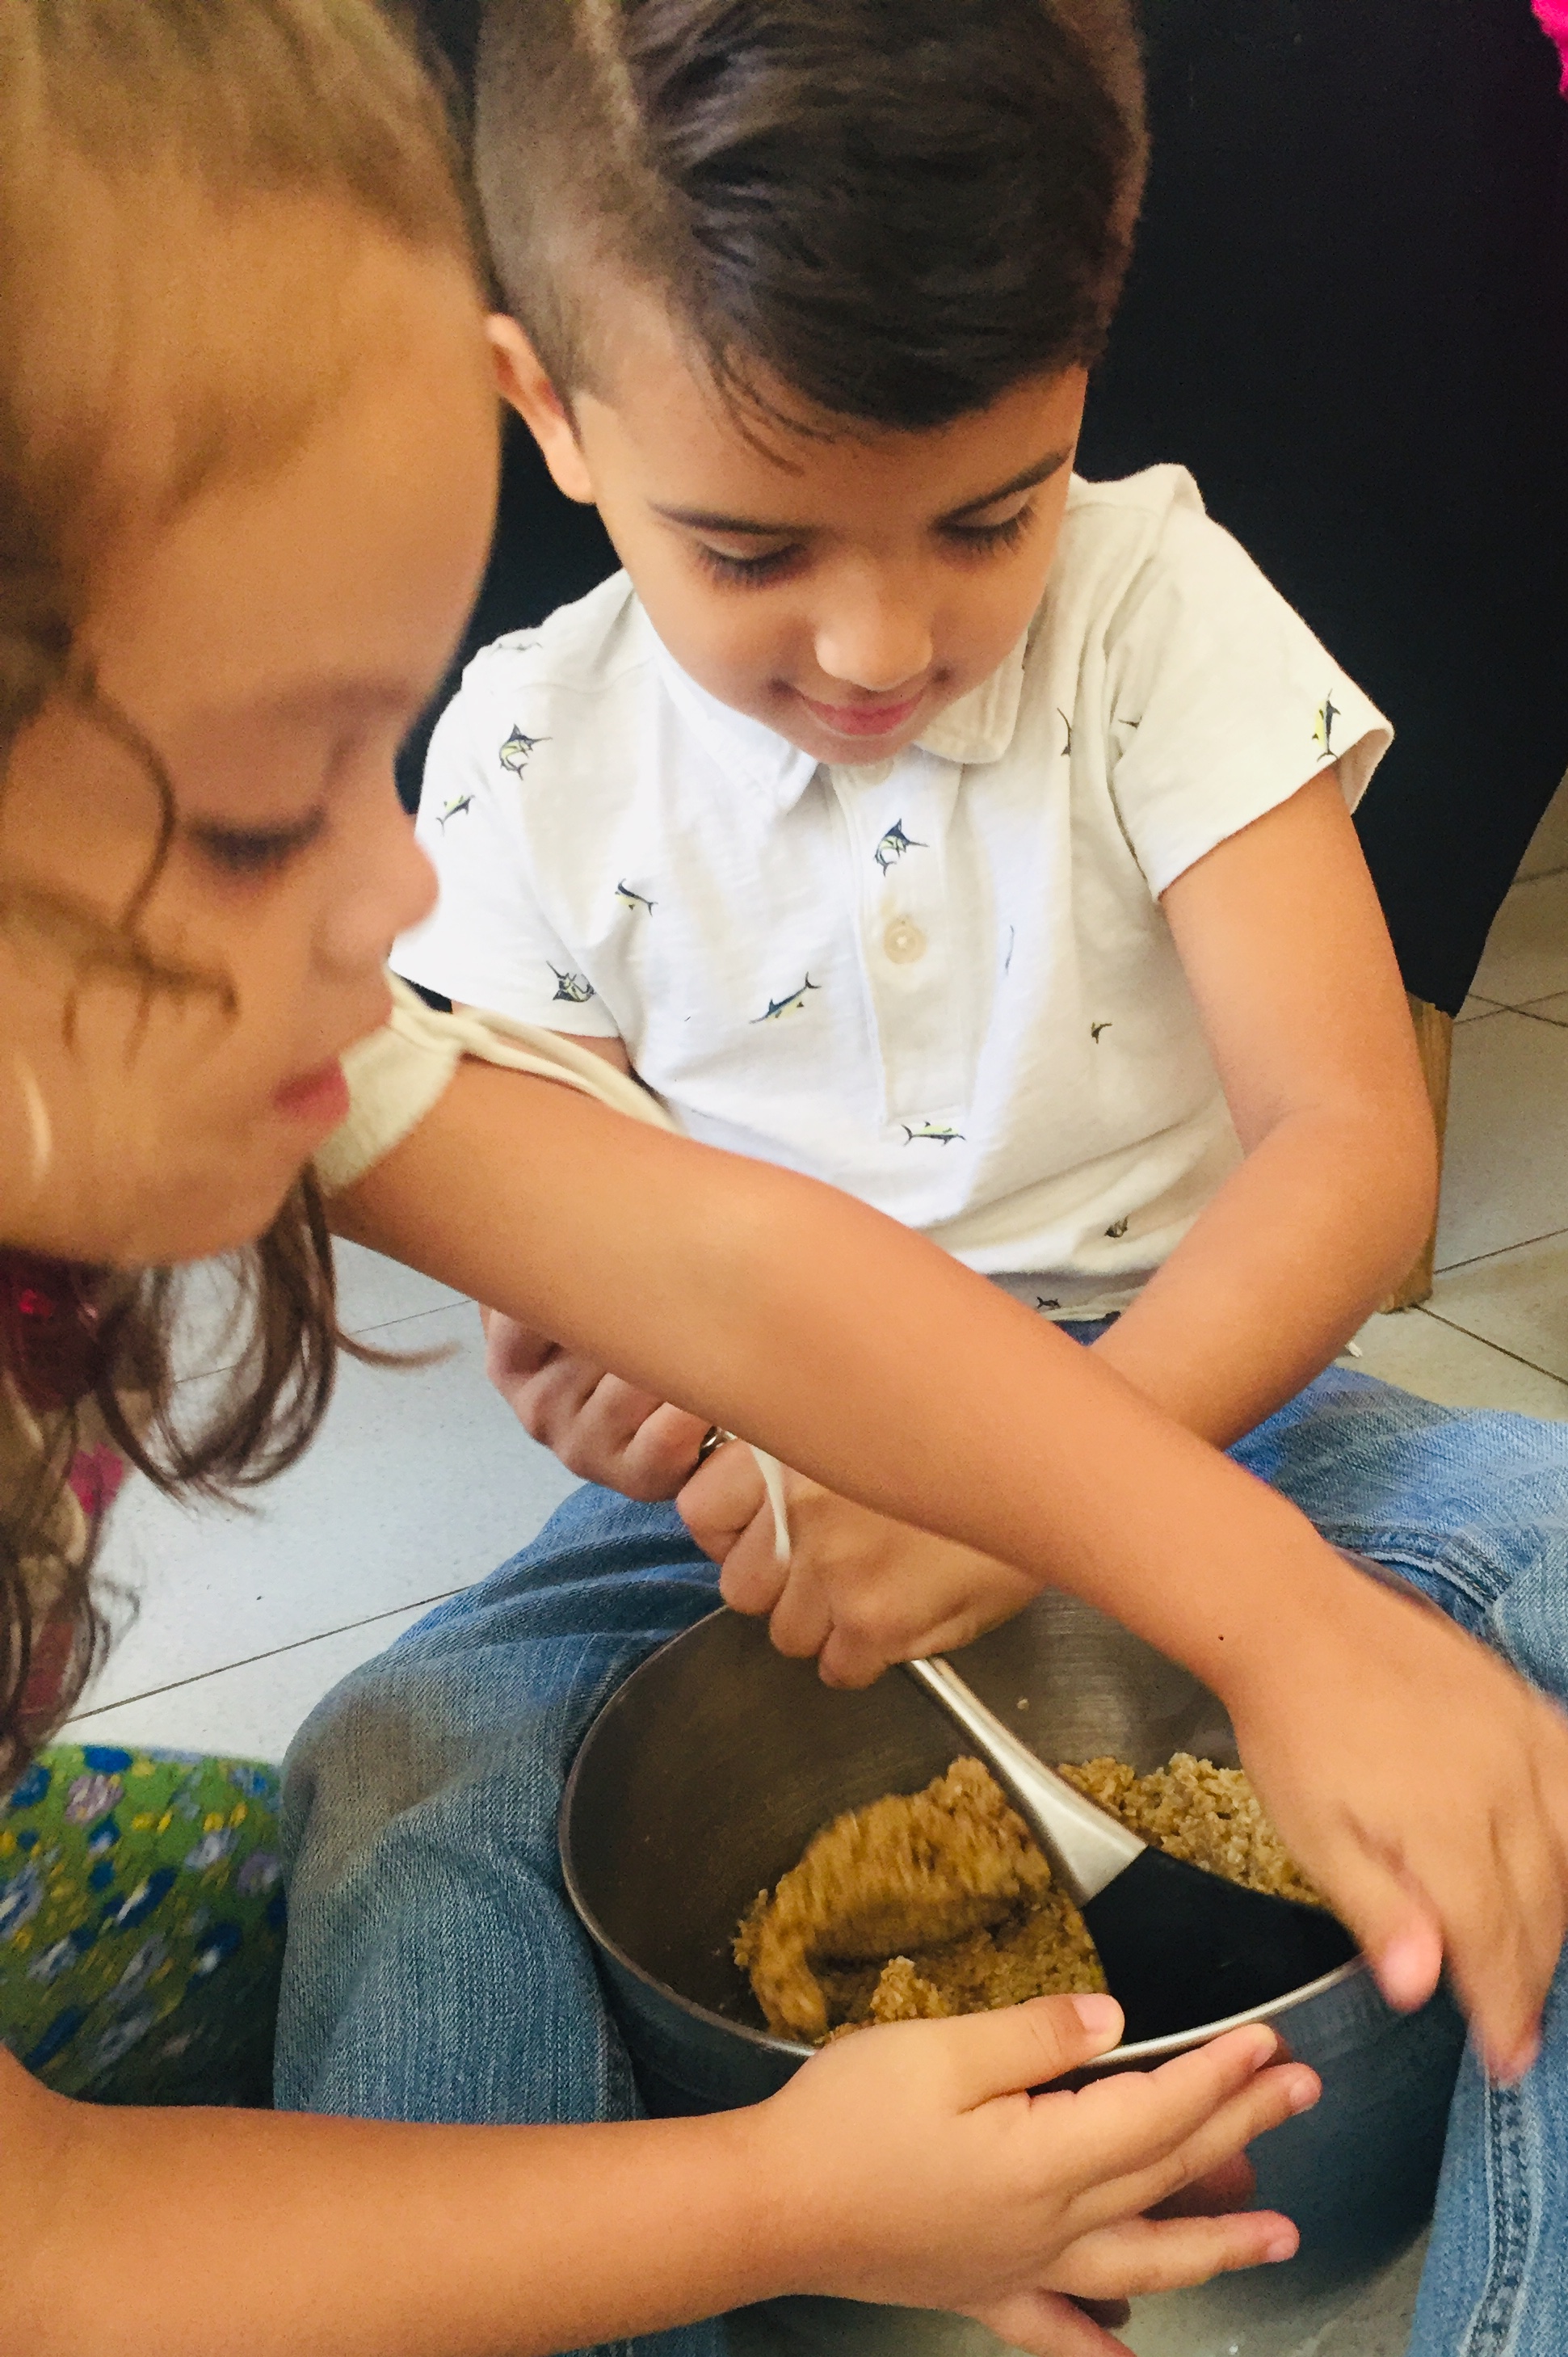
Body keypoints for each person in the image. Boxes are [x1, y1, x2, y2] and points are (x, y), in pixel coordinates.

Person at [0, 1, 1384, 2349]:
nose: (397, 895)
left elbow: (704, 1260)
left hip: (1198, 1402)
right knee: (413, 1795)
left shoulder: (1156, 610)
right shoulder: (529, 753)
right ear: (552, 410)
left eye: (981, 517)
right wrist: (778, 2200)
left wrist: (1282, 1614)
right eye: (254, 818)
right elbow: (49, 2247)